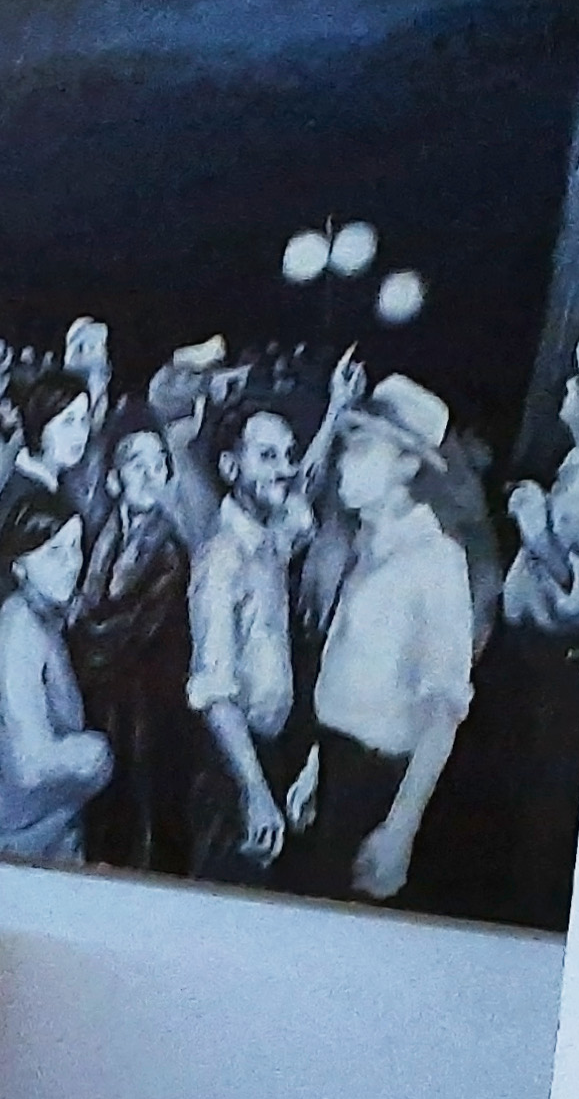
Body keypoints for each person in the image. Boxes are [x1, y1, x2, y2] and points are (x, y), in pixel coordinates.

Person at [299, 378, 476, 904]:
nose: (343, 463)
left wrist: (400, 829)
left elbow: (443, 712)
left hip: (378, 787)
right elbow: (351, 666)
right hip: (334, 771)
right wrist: (315, 766)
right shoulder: (366, 545)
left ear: (407, 465)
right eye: (345, 447)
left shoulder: (436, 562)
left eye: (362, 448)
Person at [467, 332, 579, 927]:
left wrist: (534, 529)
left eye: (578, 385)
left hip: (554, 683)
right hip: (545, 677)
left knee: (540, 810)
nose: (568, 389)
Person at [0, 481, 114, 860]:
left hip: (28, 834)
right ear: (19, 566)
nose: (71, 563)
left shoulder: (44, 621)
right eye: (54, 552)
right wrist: (97, 755)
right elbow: (30, 764)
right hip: (1, 841)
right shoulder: (21, 633)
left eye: (75, 548)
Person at [183, 402, 313, 884]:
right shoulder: (221, 559)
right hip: (232, 769)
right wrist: (254, 791)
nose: (286, 469)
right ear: (230, 467)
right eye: (267, 456)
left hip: (270, 757)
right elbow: (213, 692)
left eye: (288, 455)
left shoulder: (270, 539)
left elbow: (303, 494)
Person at [69, 404, 194, 872]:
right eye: (135, 462)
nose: (148, 474)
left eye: (157, 463)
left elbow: (124, 632)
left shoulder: (169, 553)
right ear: (113, 478)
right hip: (109, 707)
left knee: (148, 826)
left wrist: (77, 635)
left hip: (150, 715)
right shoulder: (103, 536)